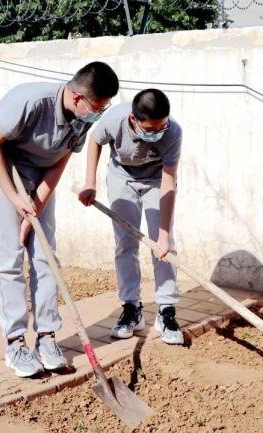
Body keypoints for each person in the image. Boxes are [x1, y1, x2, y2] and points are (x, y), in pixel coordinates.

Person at [0, 62, 119, 377]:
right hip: (2, 169)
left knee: (45, 258)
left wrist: (35, 206)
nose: (99, 113)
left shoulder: (81, 118)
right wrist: (15, 198)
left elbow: (60, 160)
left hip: (40, 175)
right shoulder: (30, 102)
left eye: (104, 108)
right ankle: (15, 345)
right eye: (97, 107)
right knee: (9, 259)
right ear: (77, 97)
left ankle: (47, 338)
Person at [78, 88, 184, 345]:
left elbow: (169, 182)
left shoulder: (173, 132)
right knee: (125, 243)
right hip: (121, 177)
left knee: (162, 247)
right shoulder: (115, 119)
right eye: (149, 130)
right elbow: (95, 140)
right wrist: (89, 182)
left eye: (160, 127)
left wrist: (164, 235)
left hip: (155, 180)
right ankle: (131, 308)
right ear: (133, 120)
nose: (155, 134)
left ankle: (166, 310)